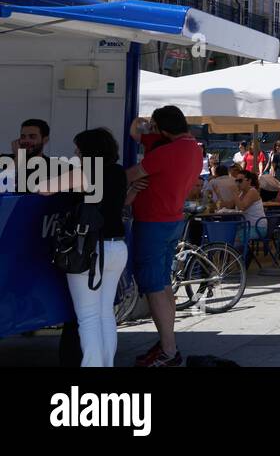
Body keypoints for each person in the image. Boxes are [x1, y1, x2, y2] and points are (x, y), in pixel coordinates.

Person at [37, 127, 128, 367]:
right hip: (117, 248)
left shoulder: (86, 172)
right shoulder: (118, 172)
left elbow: (43, 188)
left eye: (78, 149)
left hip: (89, 249)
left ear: (89, 151)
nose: (75, 153)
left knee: (87, 318)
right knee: (105, 313)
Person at [126, 105, 202, 368]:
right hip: (171, 220)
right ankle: (168, 343)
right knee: (164, 284)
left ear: (163, 129)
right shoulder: (193, 148)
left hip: (152, 222)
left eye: (155, 126)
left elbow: (129, 175)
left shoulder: (166, 152)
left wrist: (145, 125)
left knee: (154, 287)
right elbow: (138, 132)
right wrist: (149, 127)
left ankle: (168, 350)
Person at [220, 170, 267, 251]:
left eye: (240, 181)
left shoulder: (252, 192)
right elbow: (230, 205)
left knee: (232, 235)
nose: (238, 183)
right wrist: (217, 197)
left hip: (257, 227)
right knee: (226, 232)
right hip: (246, 225)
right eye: (236, 181)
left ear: (249, 181)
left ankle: (241, 257)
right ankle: (240, 256)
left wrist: (234, 193)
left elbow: (242, 207)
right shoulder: (241, 193)